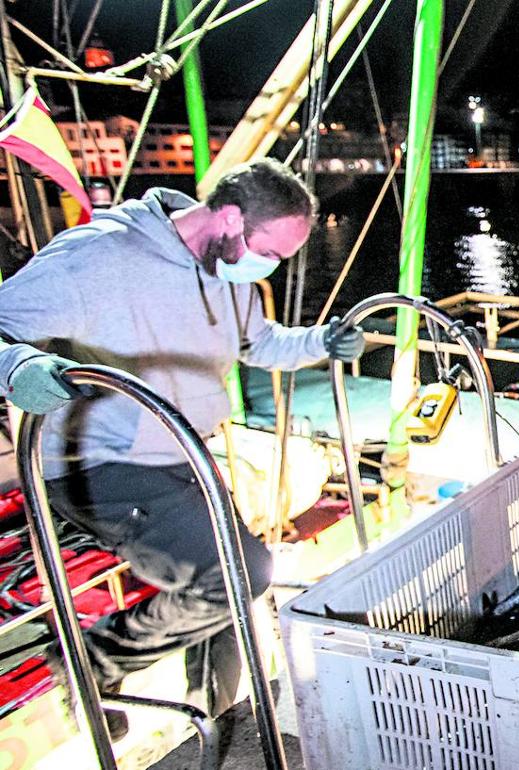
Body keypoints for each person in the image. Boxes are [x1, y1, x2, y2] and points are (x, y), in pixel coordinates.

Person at [0, 158, 365, 738]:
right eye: (267, 252)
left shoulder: (223, 267)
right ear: (227, 216)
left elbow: (259, 342)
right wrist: (16, 363)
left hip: (183, 450)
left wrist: (322, 341)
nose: (267, 267)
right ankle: (93, 662)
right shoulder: (95, 257)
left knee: (228, 604)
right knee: (238, 575)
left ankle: (213, 724)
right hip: (101, 462)